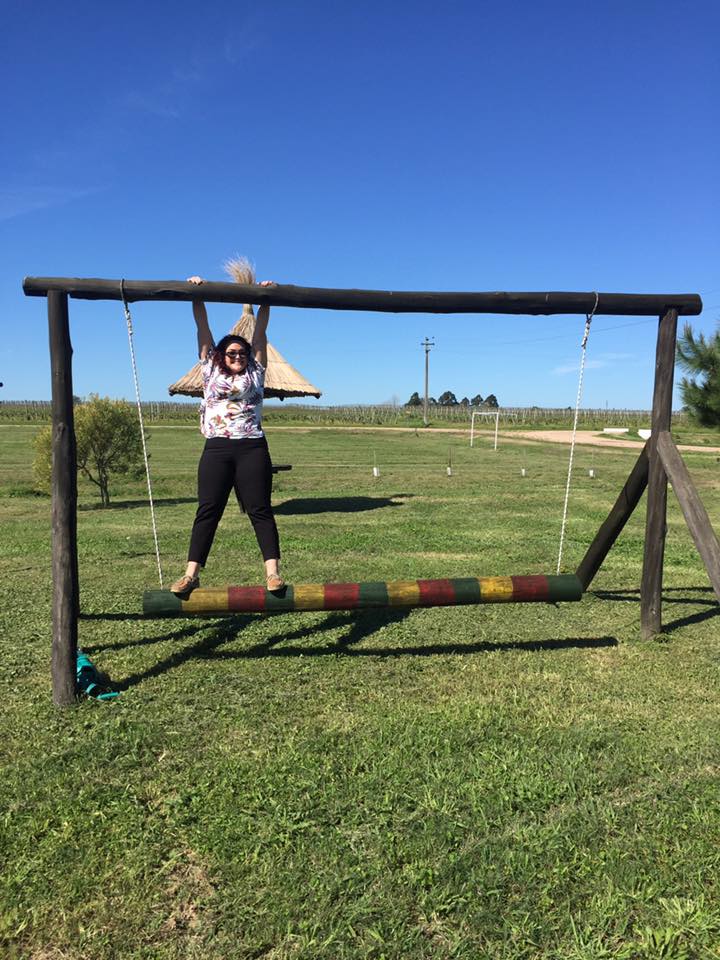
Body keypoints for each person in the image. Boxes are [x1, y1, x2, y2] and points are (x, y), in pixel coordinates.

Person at [170, 264, 284, 596]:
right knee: (208, 510)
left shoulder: (256, 370)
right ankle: (191, 575)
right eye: (232, 352)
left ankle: (273, 574)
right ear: (221, 354)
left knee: (260, 509)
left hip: (252, 447)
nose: (238, 355)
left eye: (242, 352)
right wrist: (197, 294)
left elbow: (260, 334)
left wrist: (265, 299)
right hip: (217, 447)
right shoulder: (209, 367)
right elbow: (202, 327)